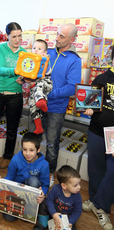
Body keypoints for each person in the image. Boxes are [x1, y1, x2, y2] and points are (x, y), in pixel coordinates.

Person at [28, 23, 81, 187]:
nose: (56, 38)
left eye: (62, 36)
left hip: (56, 109)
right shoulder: (47, 52)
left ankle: (49, 173)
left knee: (51, 145)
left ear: (72, 40)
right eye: (57, 34)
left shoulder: (74, 60)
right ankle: (29, 170)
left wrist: (49, 94)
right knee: (32, 142)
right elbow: (34, 69)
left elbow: (72, 87)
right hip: (37, 106)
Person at [81, 46, 114, 230]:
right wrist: (88, 109)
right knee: (95, 168)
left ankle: (100, 205)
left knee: (112, 173)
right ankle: (93, 199)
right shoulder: (101, 78)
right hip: (97, 130)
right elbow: (90, 103)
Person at [0, 22, 26, 169]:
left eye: (20, 36)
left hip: (15, 94)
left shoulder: (24, 52)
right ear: (7, 35)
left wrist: (25, 78)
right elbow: (1, 69)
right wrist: (16, 71)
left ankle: (7, 156)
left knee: (12, 128)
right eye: (14, 36)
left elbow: (27, 72)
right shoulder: (0, 48)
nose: (17, 39)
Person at [0, 132, 48, 222]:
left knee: (33, 181)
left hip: (32, 191)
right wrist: (0, 183)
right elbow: (9, 177)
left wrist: (43, 194)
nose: (27, 153)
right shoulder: (15, 159)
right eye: (24, 149)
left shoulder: (44, 164)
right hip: (17, 191)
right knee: (8, 218)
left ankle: (32, 207)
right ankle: (23, 209)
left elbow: (45, 185)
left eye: (31, 150)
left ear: (38, 149)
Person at [16, 39, 53, 134]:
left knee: (39, 87)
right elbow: (29, 75)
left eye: (39, 49)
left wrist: (44, 60)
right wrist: (23, 78)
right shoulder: (31, 61)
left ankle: (42, 101)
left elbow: (44, 73)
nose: (36, 50)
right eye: (34, 48)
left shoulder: (45, 60)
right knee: (32, 105)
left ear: (44, 52)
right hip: (34, 87)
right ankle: (38, 126)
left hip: (45, 83)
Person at [33, 165, 82, 230]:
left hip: (66, 216)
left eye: (79, 184)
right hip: (53, 211)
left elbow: (77, 211)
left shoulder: (77, 196)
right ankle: (43, 223)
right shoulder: (56, 188)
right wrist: (53, 213)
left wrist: (70, 222)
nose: (79, 187)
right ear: (64, 186)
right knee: (44, 202)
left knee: (72, 227)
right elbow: (49, 201)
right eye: (75, 185)